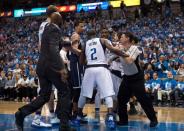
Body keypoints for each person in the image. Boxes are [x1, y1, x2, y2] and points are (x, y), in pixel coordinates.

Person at [15, 12, 75, 131]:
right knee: (65, 91)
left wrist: (69, 45)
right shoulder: (55, 29)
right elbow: (53, 49)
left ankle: (21, 113)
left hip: (41, 67)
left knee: (44, 96)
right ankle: (64, 125)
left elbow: (54, 44)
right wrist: (62, 68)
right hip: (51, 67)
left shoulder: (46, 28)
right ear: (60, 21)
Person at [102, 32, 158, 127]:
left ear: (127, 38)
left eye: (122, 36)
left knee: (142, 99)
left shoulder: (135, 48)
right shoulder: (121, 48)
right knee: (121, 98)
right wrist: (112, 58)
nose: (120, 38)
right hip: (127, 77)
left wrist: (120, 52)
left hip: (136, 78)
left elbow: (129, 61)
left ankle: (153, 119)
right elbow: (113, 57)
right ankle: (123, 120)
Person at [71, 29, 117, 129]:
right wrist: (123, 53)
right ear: (96, 34)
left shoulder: (85, 44)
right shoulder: (102, 40)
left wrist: (88, 65)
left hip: (89, 69)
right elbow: (113, 50)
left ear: (87, 36)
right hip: (101, 68)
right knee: (108, 93)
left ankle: (78, 117)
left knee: (83, 94)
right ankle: (110, 118)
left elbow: (81, 61)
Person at [32, 5, 60, 128]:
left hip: (44, 59)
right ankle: (37, 118)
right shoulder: (52, 26)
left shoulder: (43, 25)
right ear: (53, 14)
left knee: (51, 91)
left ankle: (53, 116)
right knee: (45, 91)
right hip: (49, 61)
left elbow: (40, 45)